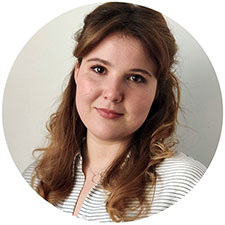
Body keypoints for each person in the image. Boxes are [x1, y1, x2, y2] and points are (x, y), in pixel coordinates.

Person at [23, 2, 206, 222]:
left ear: (157, 90)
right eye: (99, 69)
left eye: (135, 77)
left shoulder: (185, 185)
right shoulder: (36, 178)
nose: (112, 94)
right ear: (77, 73)